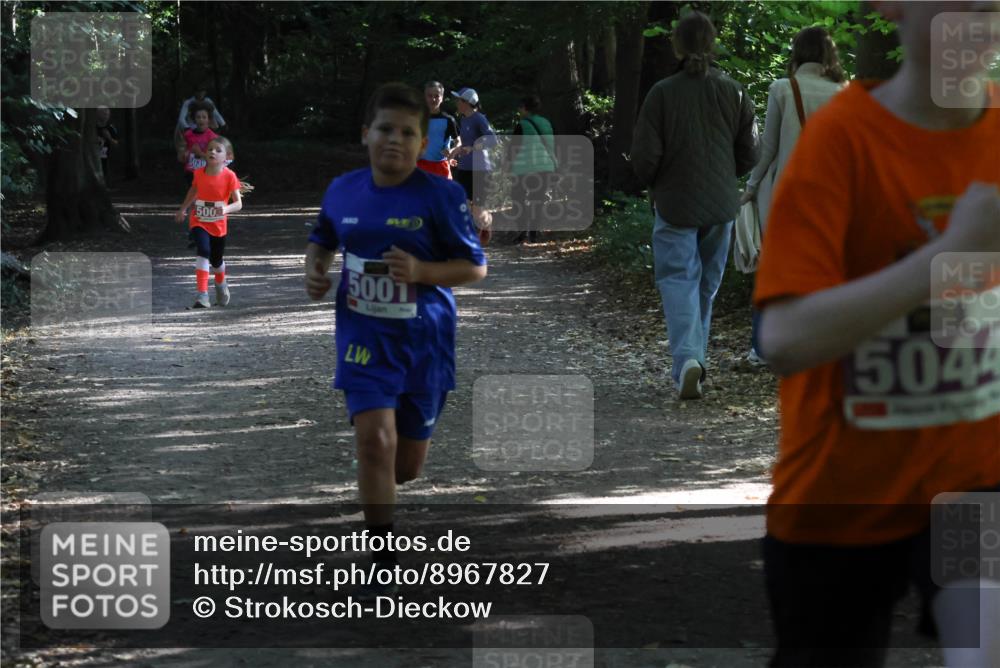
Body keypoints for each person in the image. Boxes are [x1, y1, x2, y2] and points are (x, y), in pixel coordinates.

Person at [754, 2, 1000, 666]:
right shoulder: (842, 140)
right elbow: (783, 337)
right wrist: (950, 256)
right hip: (838, 498)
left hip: (975, 486)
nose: (977, 20)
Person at [304, 82, 487, 592]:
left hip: (425, 343)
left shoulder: (443, 196)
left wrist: (423, 271)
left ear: (422, 141)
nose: (396, 140)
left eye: (408, 133)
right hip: (364, 338)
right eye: (386, 129)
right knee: (374, 441)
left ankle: (387, 492)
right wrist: (314, 271)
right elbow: (321, 240)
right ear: (366, 134)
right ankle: (381, 554)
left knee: (405, 466)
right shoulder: (343, 190)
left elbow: (474, 269)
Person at [630, 11, 759, 400]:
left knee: (677, 282)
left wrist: (655, 180)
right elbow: (750, 152)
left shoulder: (663, 93)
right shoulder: (734, 91)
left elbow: (644, 159)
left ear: (677, 44)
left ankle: (688, 359)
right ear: (713, 43)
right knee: (704, 286)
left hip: (674, 203)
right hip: (721, 205)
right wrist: (723, 174)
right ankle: (694, 363)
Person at [741, 26, 846, 366]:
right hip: (830, 199)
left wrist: (751, 187)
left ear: (797, 53)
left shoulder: (784, 89)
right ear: (829, 55)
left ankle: (762, 348)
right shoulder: (843, 91)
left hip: (787, 198)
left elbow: (768, 148)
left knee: (774, 273)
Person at [174, 136, 245, 309]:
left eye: (218, 150)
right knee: (203, 250)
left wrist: (225, 209)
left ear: (227, 157)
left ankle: (221, 284)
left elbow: (239, 204)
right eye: (210, 149)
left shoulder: (229, 176)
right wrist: (183, 209)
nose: (212, 152)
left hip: (218, 224)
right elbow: (193, 191)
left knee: (216, 260)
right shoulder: (198, 173)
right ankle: (202, 295)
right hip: (199, 220)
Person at [449, 87, 497, 245]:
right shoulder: (463, 119)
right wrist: (455, 151)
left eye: (458, 100)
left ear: (467, 103)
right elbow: (466, 143)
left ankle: (486, 221)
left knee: (477, 210)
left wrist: (473, 148)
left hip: (480, 169)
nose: (456, 103)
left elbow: (492, 140)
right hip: (464, 168)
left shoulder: (479, 119)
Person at [509, 94, 557, 245]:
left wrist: (508, 165)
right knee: (537, 199)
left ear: (524, 108)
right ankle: (534, 234)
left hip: (525, 168)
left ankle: (522, 231)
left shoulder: (522, 125)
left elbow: (514, 148)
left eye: (520, 107)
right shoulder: (546, 123)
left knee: (518, 197)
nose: (519, 110)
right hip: (546, 167)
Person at [417, 81, 461, 179]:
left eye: (437, 96)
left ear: (442, 98)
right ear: (424, 97)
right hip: (420, 166)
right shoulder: (417, 118)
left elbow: (459, 141)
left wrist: (452, 150)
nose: (433, 99)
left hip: (441, 167)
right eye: (429, 96)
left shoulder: (448, 120)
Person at [181, 102, 220, 180]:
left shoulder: (213, 137)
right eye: (198, 117)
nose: (201, 119)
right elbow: (184, 152)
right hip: (190, 173)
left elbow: (216, 158)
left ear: (208, 119)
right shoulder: (188, 134)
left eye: (204, 117)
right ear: (194, 119)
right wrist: (185, 154)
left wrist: (200, 153)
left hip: (206, 173)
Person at [95, 106, 119, 187]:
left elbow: (116, 144)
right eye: (103, 113)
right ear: (97, 114)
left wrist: (109, 138)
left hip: (105, 155)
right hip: (92, 155)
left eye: (107, 113)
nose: (106, 115)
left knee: (104, 170)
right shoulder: (91, 127)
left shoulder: (111, 128)